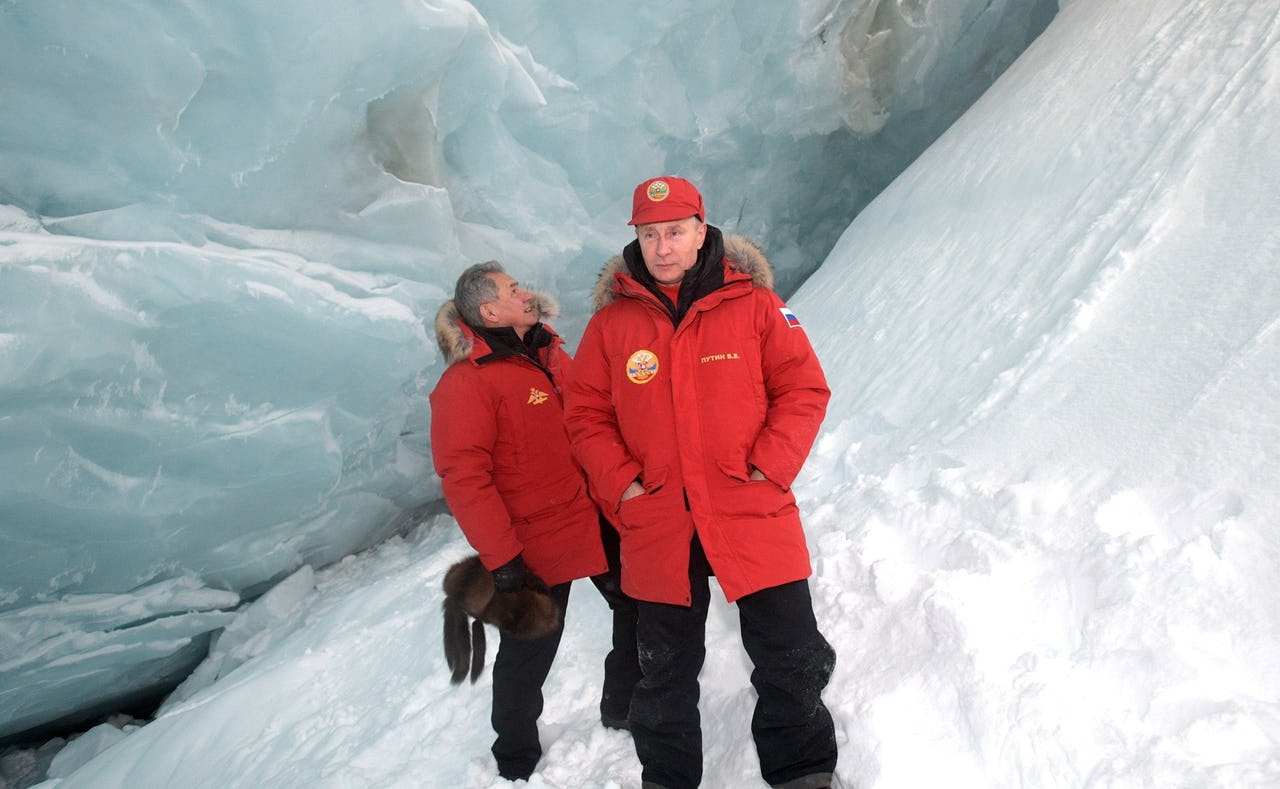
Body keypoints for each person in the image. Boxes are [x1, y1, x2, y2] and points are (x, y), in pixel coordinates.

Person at [563, 176, 838, 789]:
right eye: (650, 234)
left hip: (749, 506)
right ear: (636, 237)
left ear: (700, 228)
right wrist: (624, 486)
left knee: (790, 654)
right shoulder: (612, 326)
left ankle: (803, 773)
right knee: (661, 674)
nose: (663, 247)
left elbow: (804, 389)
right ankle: (667, 779)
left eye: (675, 232)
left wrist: (771, 465)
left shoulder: (757, 306)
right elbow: (584, 414)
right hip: (659, 519)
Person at [429, 261, 641, 782]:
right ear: (488, 311)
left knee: (638, 608)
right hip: (537, 541)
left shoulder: (549, 352)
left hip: (596, 516)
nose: (525, 293)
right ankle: (515, 756)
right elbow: (464, 478)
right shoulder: (466, 384)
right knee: (530, 649)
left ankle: (623, 706)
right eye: (512, 289)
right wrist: (502, 559)